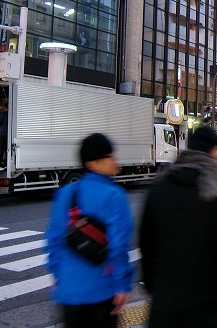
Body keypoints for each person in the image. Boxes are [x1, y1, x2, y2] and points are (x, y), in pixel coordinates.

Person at [139, 125, 217, 327]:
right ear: (212, 150)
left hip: (168, 300)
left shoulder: (161, 185)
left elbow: (146, 242)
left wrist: (153, 286)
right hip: (212, 300)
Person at [45, 133, 134, 328]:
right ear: (93, 164)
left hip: (69, 292)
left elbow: (53, 239)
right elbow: (118, 247)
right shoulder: (114, 195)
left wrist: (58, 274)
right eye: (109, 156)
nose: (115, 160)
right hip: (101, 291)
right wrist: (122, 286)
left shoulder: (65, 193)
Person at [0, 102, 8, 166]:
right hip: (10, 136)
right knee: (8, 150)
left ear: (6, 108)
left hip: (3, 134)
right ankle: (6, 164)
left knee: (0, 150)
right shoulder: (13, 115)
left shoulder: (3, 115)